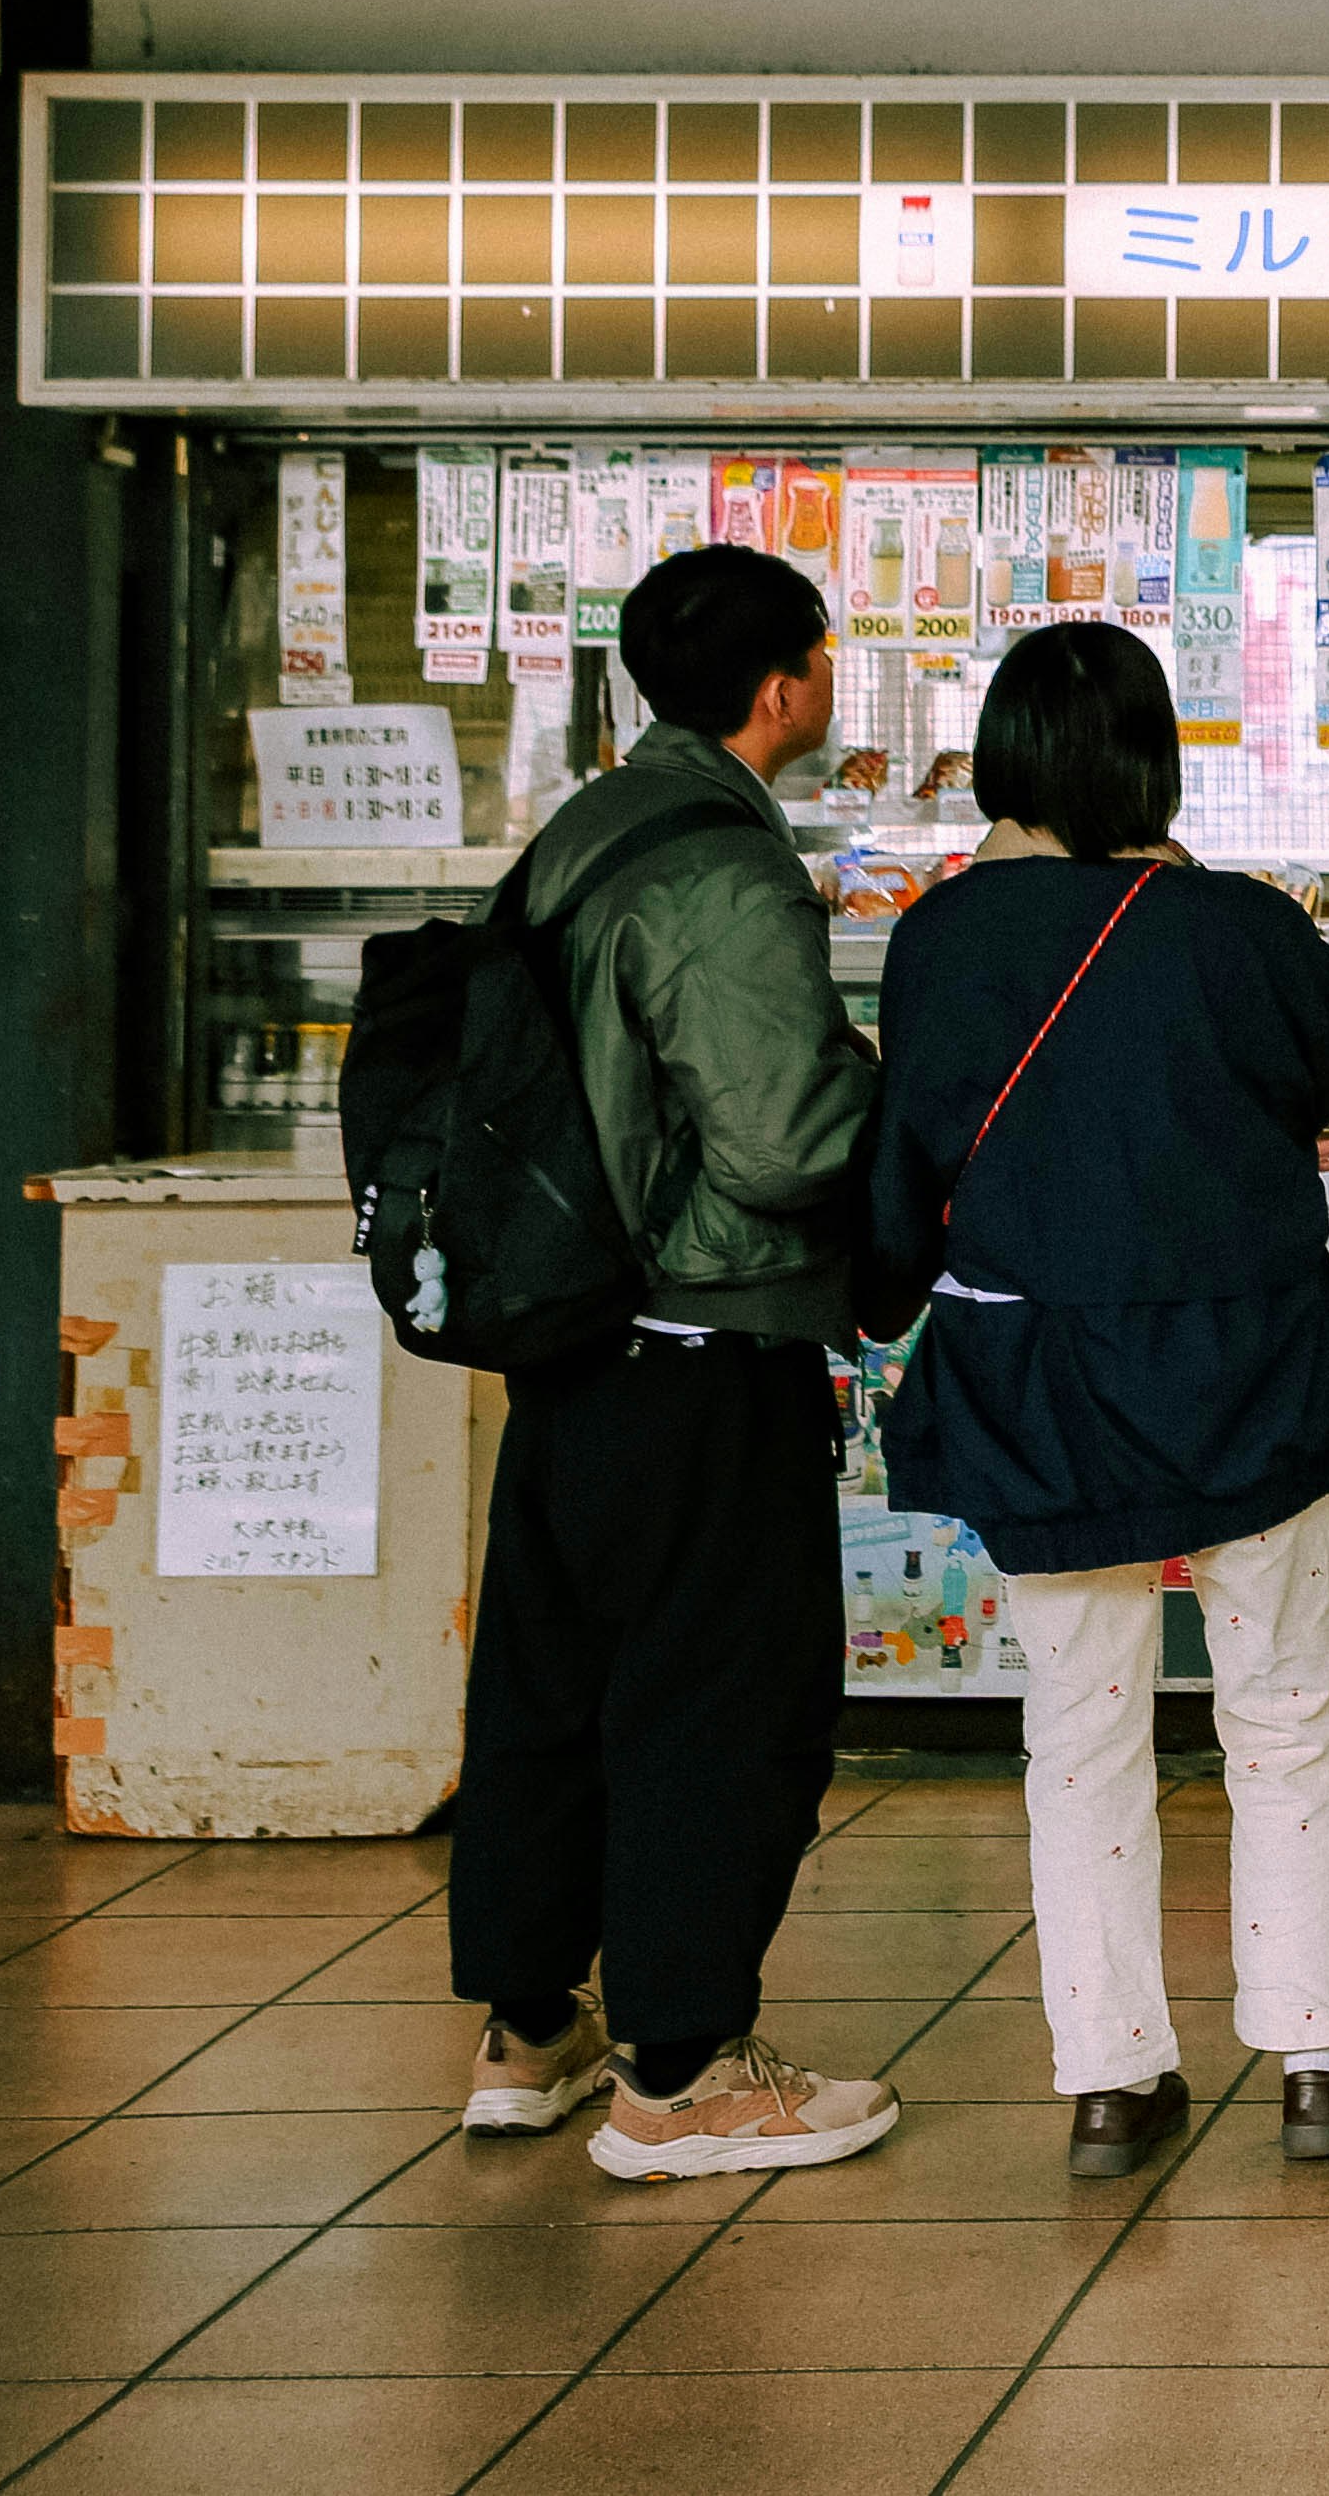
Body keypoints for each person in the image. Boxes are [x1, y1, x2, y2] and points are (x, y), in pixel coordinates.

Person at [870, 621, 1329, 2176]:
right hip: (1240, 1371)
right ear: (1154, 761)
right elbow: (1315, 1071)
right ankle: (1314, 2058)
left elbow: (910, 1160)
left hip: (1039, 1381)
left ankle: (1111, 2081)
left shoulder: (942, 937)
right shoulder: (1232, 927)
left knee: (1080, 1724)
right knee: (1290, 1709)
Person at [448, 541, 907, 2181]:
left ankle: (530, 2024)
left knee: (553, 1692)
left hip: (574, 1338)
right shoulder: (723, 863)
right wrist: (897, 1099)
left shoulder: (586, 825)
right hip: (703, 1340)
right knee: (722, 1699)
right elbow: (784, 1139)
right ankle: (685, 2066)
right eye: (827, 655)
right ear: (785, 684)